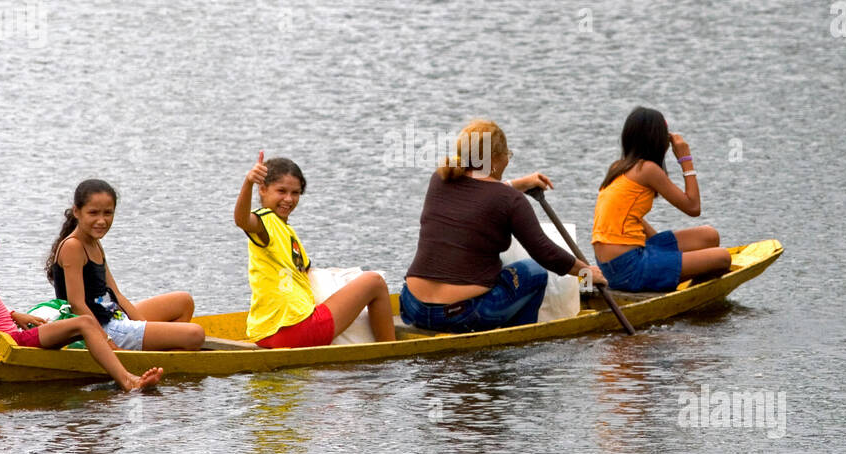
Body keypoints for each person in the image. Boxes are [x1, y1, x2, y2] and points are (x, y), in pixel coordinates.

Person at [401, 119, 605, 333]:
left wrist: (519, 184)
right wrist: (586, 273)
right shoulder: (510, 200)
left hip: (414, 306)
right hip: (462, 315)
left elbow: (480, 195)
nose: (508, 159)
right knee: (534, 272)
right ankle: (518, 344)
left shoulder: (440, 179)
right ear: (496, 160)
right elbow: (545, 253)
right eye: (507, 154)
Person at [0, 208, 163, 391]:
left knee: (72, 323)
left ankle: (106, 363)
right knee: (85, 323)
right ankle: (127, 381)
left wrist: (13, 314)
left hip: (12, 331)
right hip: (15, 340)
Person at [234, 152, 396, 348]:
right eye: (281, 191)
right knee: (374, 282)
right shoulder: (265, 222)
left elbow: (305, 276)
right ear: (263, 189)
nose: (288, 199)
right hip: (297, 331)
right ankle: (390, 350)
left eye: (295, 193)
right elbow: (242, 220)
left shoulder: (286, 231)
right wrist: (248, 182)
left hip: (265, 334)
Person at [45, 179, 205, 351]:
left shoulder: (94, 242)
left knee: (183, 301)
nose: (101, 221)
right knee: (195, 334)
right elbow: (77, 305)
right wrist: (106, 342)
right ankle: (158, 353)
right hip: (96, 328)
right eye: (93, 213)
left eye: (108, 213)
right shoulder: (73, 246)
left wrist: (143, 326)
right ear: (77, 211)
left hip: (113, 316)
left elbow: (117, 295)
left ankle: (158, 353)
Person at [591, 106, 731, 292]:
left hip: (611, 265)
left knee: (709, 235)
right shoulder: (647, 169)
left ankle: (668, 275)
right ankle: (684, 294)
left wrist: (662, 250)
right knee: (722, 258)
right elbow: (693, 207)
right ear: (659, 141)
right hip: (628, 268)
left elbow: (634, 218)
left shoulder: (618, 167)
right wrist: (685, 158)